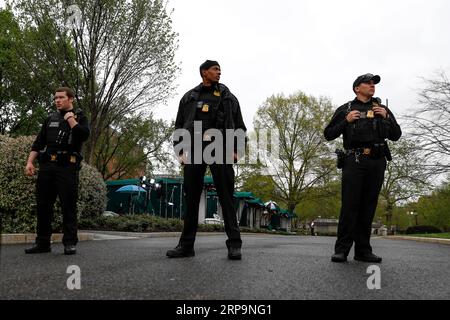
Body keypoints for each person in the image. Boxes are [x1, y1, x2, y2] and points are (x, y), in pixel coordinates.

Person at [167, 60, 247, 260]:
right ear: (204, 72)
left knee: (226, 197)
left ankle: (234, 245)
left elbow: (239, 125)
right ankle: (186, 246)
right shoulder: (189, 97)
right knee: (191, 198)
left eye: (220, 70)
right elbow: (179, 126)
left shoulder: (229, 98)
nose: (219, 72)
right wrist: (180, 151)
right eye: (215, 69)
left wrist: (237, 150)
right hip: (193, 148)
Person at [324, 74, 401, 263]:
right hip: (354, 160)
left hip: (377, 160)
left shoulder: (382, 109)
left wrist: (387, 119)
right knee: (350, 206)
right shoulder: (346, 109)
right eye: (368, 83)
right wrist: (346, 121)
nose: (372, 85)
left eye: (374, 83)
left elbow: (396, 135)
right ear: (357, 88)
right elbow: (328, 134)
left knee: (368, 206)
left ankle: (363, 251)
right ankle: (341, 250)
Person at [24, 87, 90, 255]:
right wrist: (30, 162)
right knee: (43, 206)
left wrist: (71, 120)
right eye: (55, 98)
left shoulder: (80, 117)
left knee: (68, 206)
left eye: (61, 97)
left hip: (67, 167)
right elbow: (38, 143)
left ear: (71, 99)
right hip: (47, 167)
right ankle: (43, 243)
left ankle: (69, 243)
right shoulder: (50, 119)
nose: (57, 101)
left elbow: (83, 135)